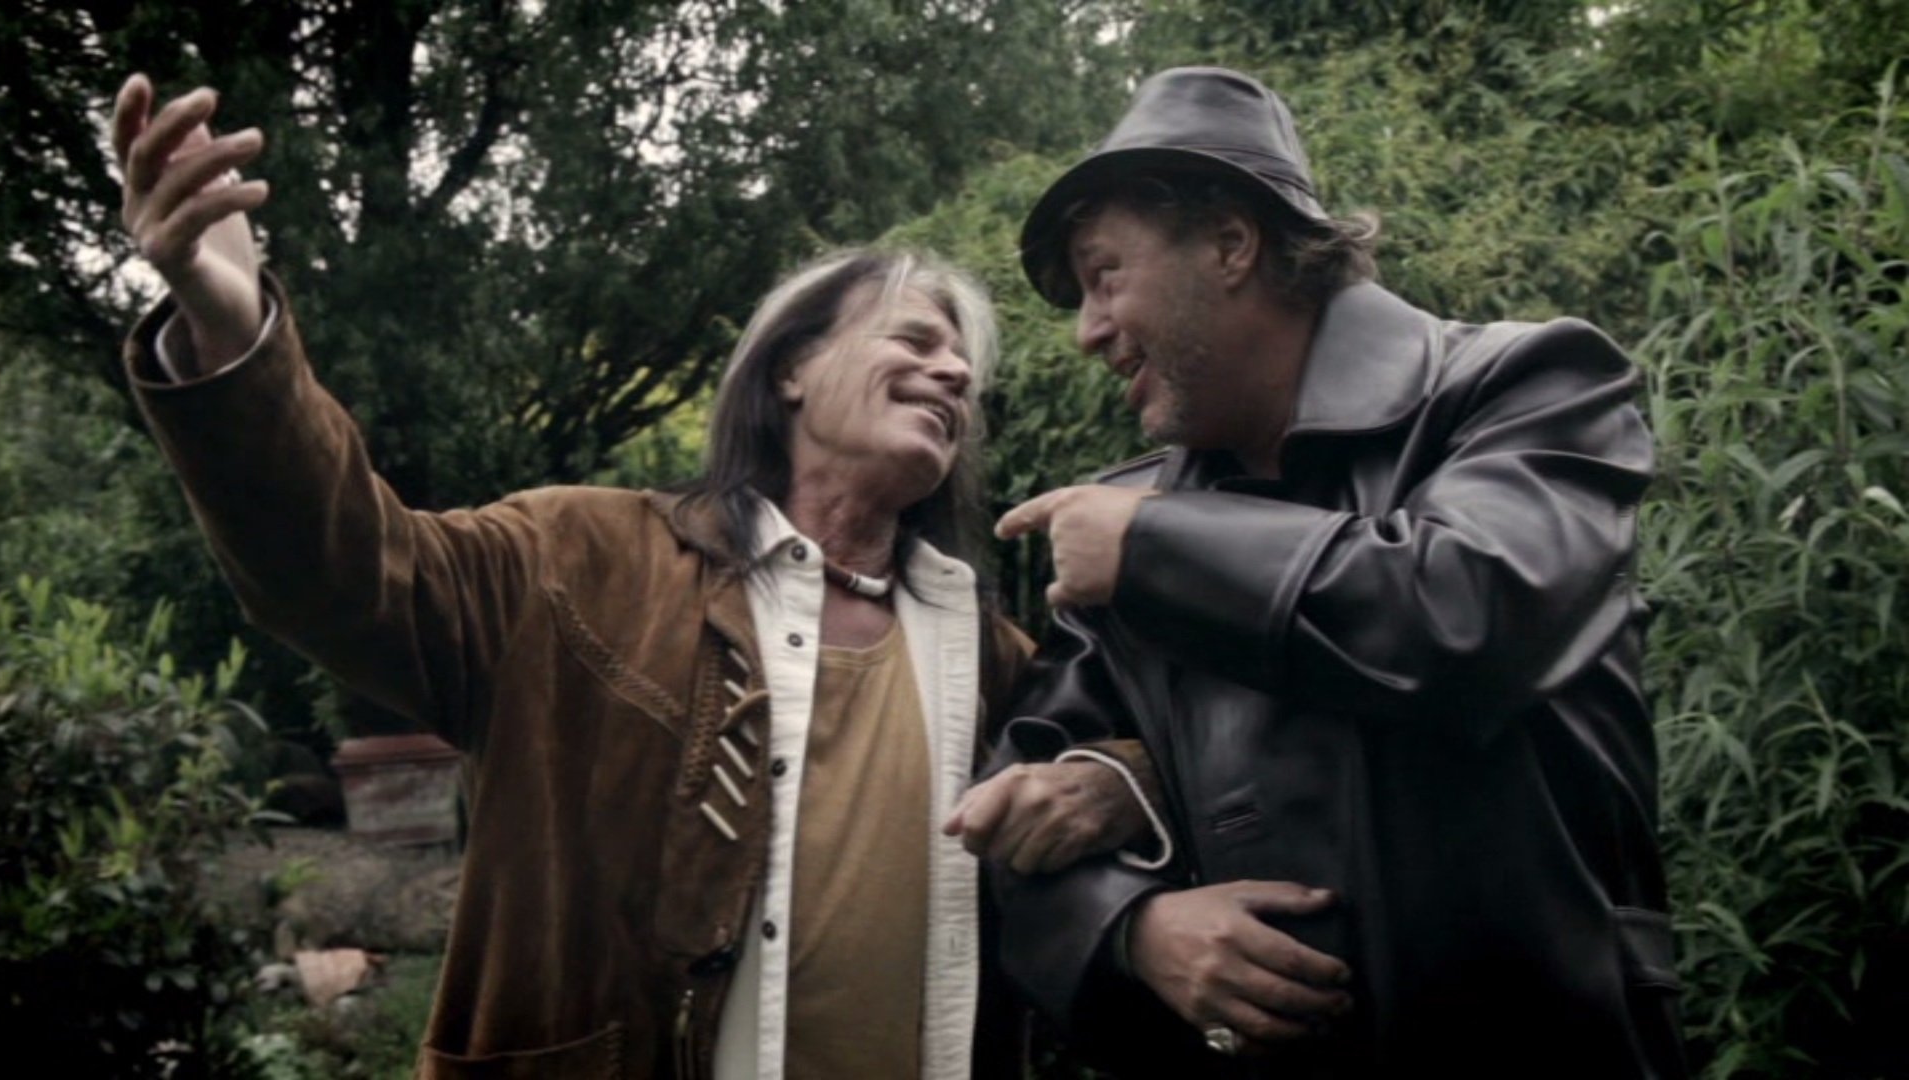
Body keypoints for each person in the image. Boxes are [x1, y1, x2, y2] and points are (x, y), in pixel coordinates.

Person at [108, 74, 1154, 1080]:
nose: (957, 373)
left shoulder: (988, 651)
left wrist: (1118, 782)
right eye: (917, 339)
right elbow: (342, 573)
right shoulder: (576, 561)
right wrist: (234, 336)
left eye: (965, 368)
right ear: (790, 369)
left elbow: (1160, 760)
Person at [949, 67, 1688, 1078]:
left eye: (1104, 276)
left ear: (1230, 243)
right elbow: (1011, 828)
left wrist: (1155, 551)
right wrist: (1133, 928)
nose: (1087, 331)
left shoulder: (1524, 386)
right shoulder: (1123, 521)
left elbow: (1474, 612)